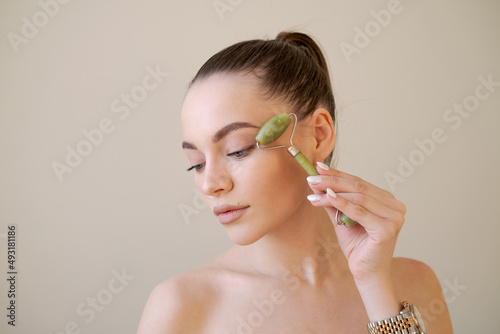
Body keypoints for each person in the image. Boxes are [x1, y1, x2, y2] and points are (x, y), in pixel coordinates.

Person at [137, 31, 453, 333]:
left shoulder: (413, 284)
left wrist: (374, 286)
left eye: (238, 150)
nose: (209, 184)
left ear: (319, 134)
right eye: (197, 164)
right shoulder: (182, 306)